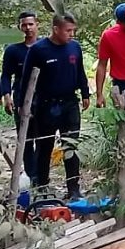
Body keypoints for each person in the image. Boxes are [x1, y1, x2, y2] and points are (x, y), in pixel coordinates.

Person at [21, 13, 90, 200]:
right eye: (68, 30)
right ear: (56, 29)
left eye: (73, 30)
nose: (71, 34)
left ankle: (73, 188)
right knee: (44, 147)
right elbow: (26, 80)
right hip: (46, 105)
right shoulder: (38, 50)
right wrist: (23, 105)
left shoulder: (75, 48)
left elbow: (81, 72)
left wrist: (85, 93)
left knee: (71, 146)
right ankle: (42, 186)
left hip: (70, 104)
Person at [1, 11, 38, 180]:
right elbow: (6, 75)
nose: (28, 28)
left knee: (44, 136)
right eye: (24, 25)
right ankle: (31, 174)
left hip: (43, 97)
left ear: (37, 25)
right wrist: (6, 96)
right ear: (19, 27)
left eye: (31, 24)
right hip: (21, 97)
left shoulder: (44, 47)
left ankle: (41, 175)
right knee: (25, 137)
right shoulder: (12, 50)